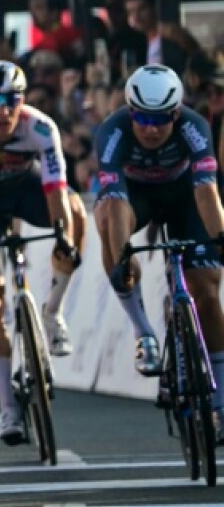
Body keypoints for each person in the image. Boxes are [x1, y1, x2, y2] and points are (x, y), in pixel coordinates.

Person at [0, 61, 84, 446]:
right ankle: (9, 407)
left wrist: (63, 239)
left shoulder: (40, 127)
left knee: (74, 211)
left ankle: (53, 311)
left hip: (27, 190)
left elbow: (56, 189)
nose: (3, 110)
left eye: (11, 100)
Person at [94, 65, 224, 395]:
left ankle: (221, 395)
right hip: (135, 196)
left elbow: (207, 191)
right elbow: (115, 196)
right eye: (144, 119)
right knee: (108, 222)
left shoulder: (194, 126)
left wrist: (220, 240)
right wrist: (124, 255)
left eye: (162, 118)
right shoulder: (113, 131)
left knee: (207, 292)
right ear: (130, 110)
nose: (152, 129)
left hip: (185, 194)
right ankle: (144, 333)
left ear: (177, 113)